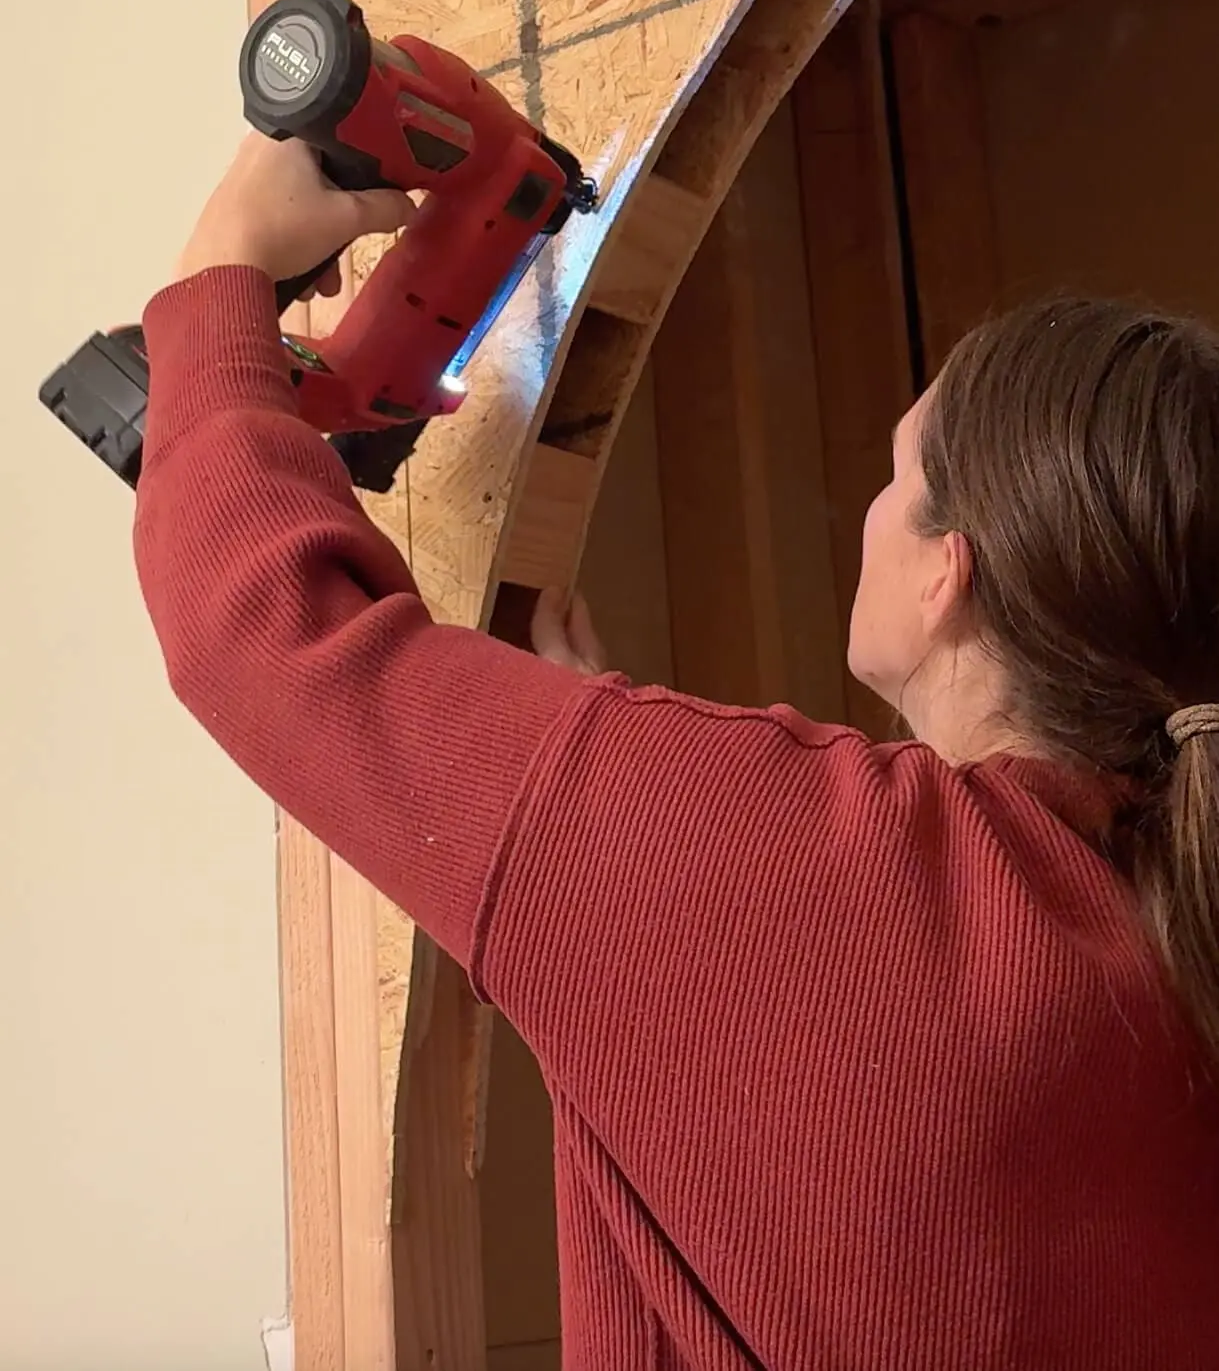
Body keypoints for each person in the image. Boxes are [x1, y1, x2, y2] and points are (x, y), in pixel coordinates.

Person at [135, 130, 1219, 1371]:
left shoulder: (823, 874)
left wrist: (222, 265)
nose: (873, 503)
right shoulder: (1157, 928)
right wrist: (596, 801)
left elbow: (261, 631)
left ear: (945, 574)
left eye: (894, 471)